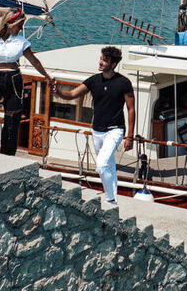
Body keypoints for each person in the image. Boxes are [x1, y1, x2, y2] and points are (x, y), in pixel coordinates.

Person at [52, 46, 135, 204]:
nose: (101, 62)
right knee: (109, 166)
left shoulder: (124, 83)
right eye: (101, 59)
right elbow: (71, 94)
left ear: (114, 64)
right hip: (97, 130)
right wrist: (58, 92)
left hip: (115, 130)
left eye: (105, 60)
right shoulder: (94, 80)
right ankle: (114, 199)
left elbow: (131, 109)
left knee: (101, 165)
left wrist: (129, 137)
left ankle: (110, 200)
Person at [0, 9, 53, 155]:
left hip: (14, 80)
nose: (21, 28)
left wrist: (46, 76)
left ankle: (7, 154)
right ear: (11, 24)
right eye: (20, 25)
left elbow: (34, 61)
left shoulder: (21, 42)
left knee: (12, 120)